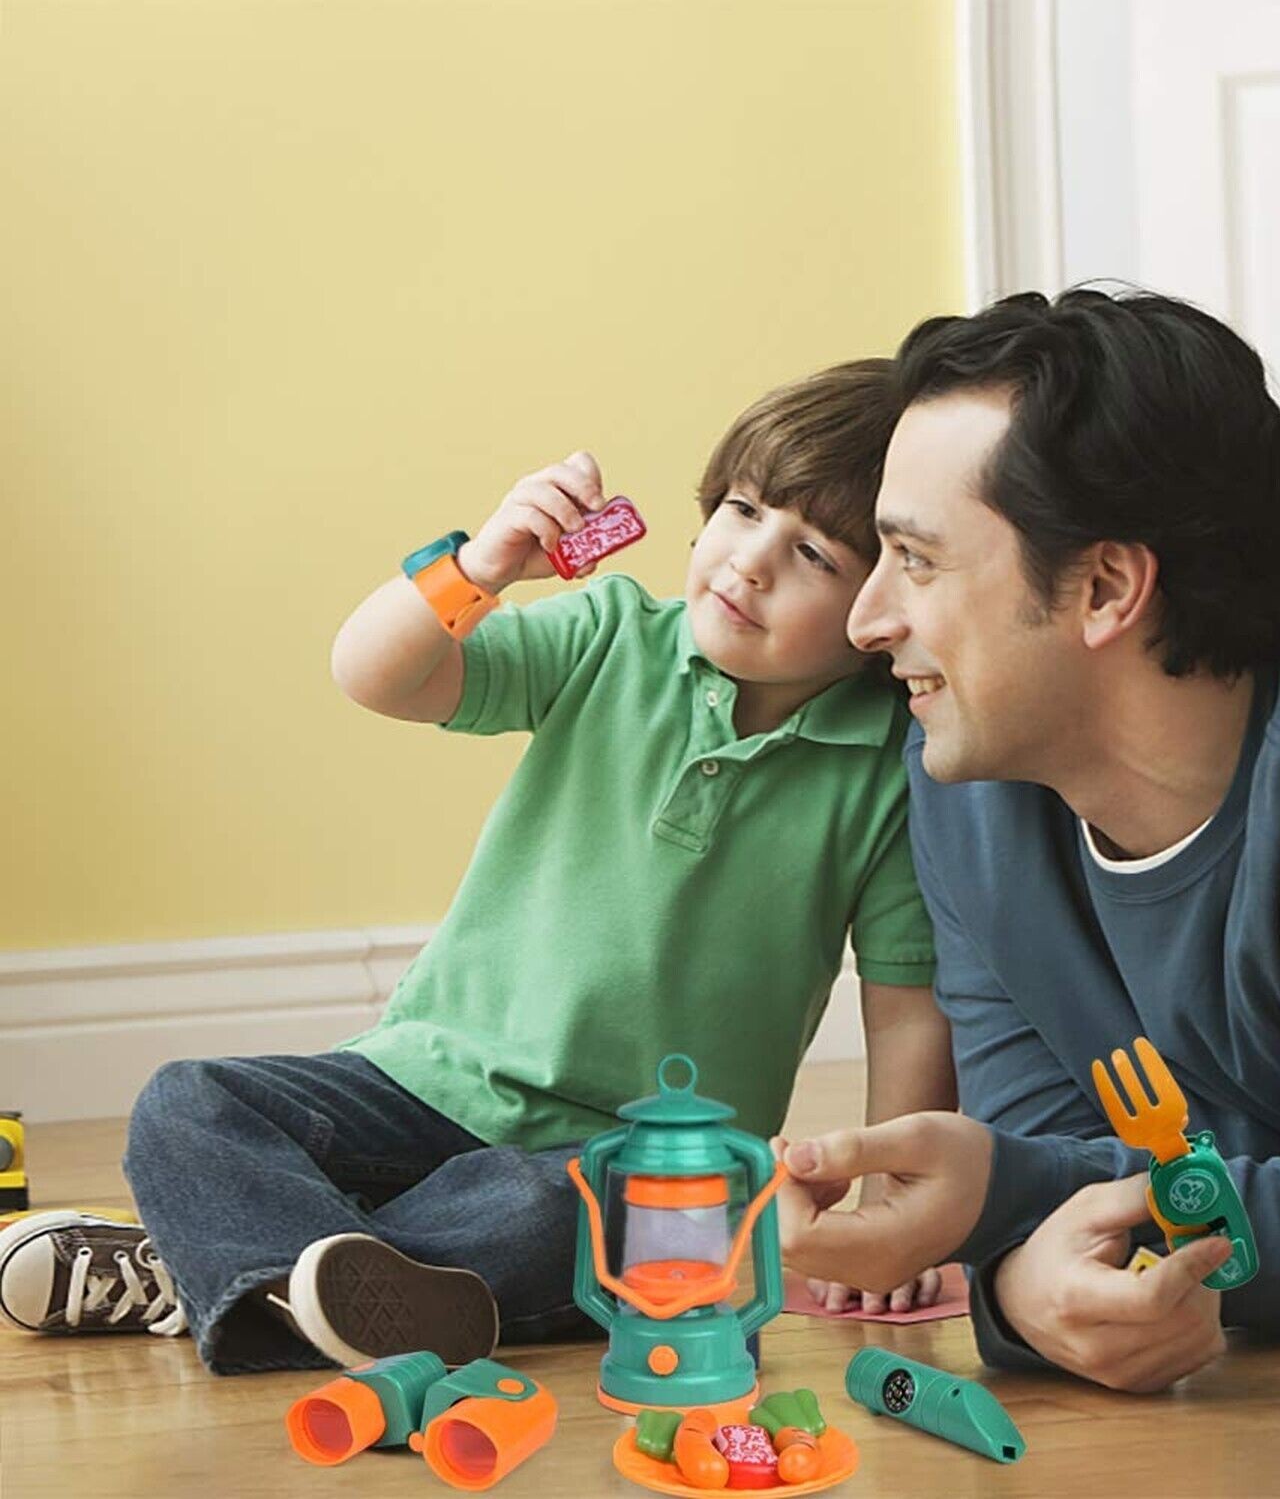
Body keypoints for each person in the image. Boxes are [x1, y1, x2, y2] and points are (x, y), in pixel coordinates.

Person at [0, 360, 954, 1371]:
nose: (749, 561)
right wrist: (480, 569)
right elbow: (376, 675)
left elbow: (906, 1007)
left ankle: (237, 1269)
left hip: (642, 1157)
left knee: (553, 1211)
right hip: (425, 1080)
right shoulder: (607, 638)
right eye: (742, 509)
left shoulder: (893, 772)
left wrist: (893, 1207)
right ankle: (306, 1278)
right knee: (189, 1102)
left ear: (881, 605)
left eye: (811, 553)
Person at [774, 288, 1280, 1393]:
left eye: (915, 560)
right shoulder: (971, 782)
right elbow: (1045, 1156)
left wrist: (993, 1208)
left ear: (1107, 587)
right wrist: (1022, 1281)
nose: (867, 621)